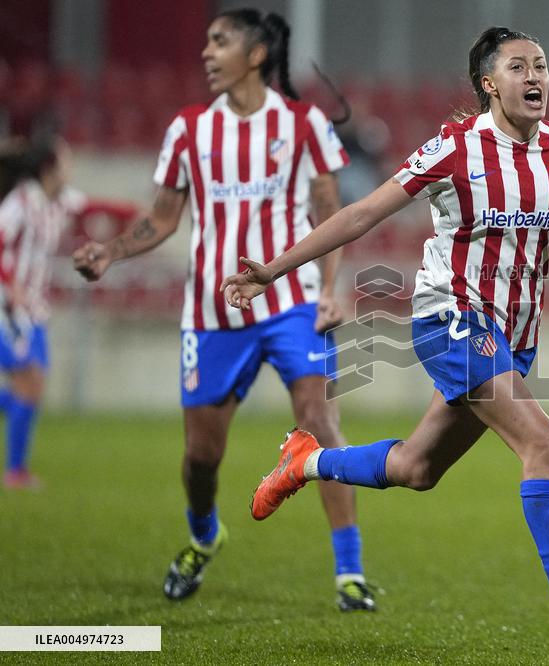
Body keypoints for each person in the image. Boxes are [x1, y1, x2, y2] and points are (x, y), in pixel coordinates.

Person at [222, 27, 549, 655]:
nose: (535, 76)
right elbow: (363, 212)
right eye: (518, 67)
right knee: (544, 443)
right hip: (451, 319)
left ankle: (305, 461)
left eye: (541, 65)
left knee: (417, 469)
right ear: (489, 84)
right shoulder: (456, 147)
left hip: (511, 337)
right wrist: (274, 270)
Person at [72, 8, 376, 611]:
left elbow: (329, 213)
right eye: (207, 42)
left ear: (256, 54)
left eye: (220, 42)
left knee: (319, 421)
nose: (207, 52)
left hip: (292, 300)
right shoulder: (189, 129)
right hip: (214, 313)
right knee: (201, 458)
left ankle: (350, 572)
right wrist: (110, 251)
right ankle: (204, 535)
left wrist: (329, 287)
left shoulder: (304, 123)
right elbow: (163, 218)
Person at [0, 136, 85, 489]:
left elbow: (93, 205)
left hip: (34, 310)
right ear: (50, 168)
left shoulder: (59, 201)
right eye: (66, 161)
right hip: (8, 308)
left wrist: (144, 212)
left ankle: (17, 471)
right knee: (30, 383)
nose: (71, 167)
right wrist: (11, 284)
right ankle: (15, 472)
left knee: (32, 388)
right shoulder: (21, 202)